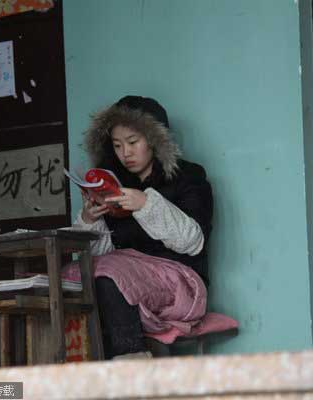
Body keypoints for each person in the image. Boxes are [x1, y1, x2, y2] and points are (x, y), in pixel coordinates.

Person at [73, 95, 213, 359]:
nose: (125, 153)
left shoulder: (189, 177)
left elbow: (193, 242)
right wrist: (92, 218)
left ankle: (133, 367)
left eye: (133, 142)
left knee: (107, 277)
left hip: (180, 281)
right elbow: (101, 255)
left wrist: (145, 204)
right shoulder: (115, 183)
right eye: (117, 145)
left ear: (154, 140)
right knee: (76, 277)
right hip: (124, 276)